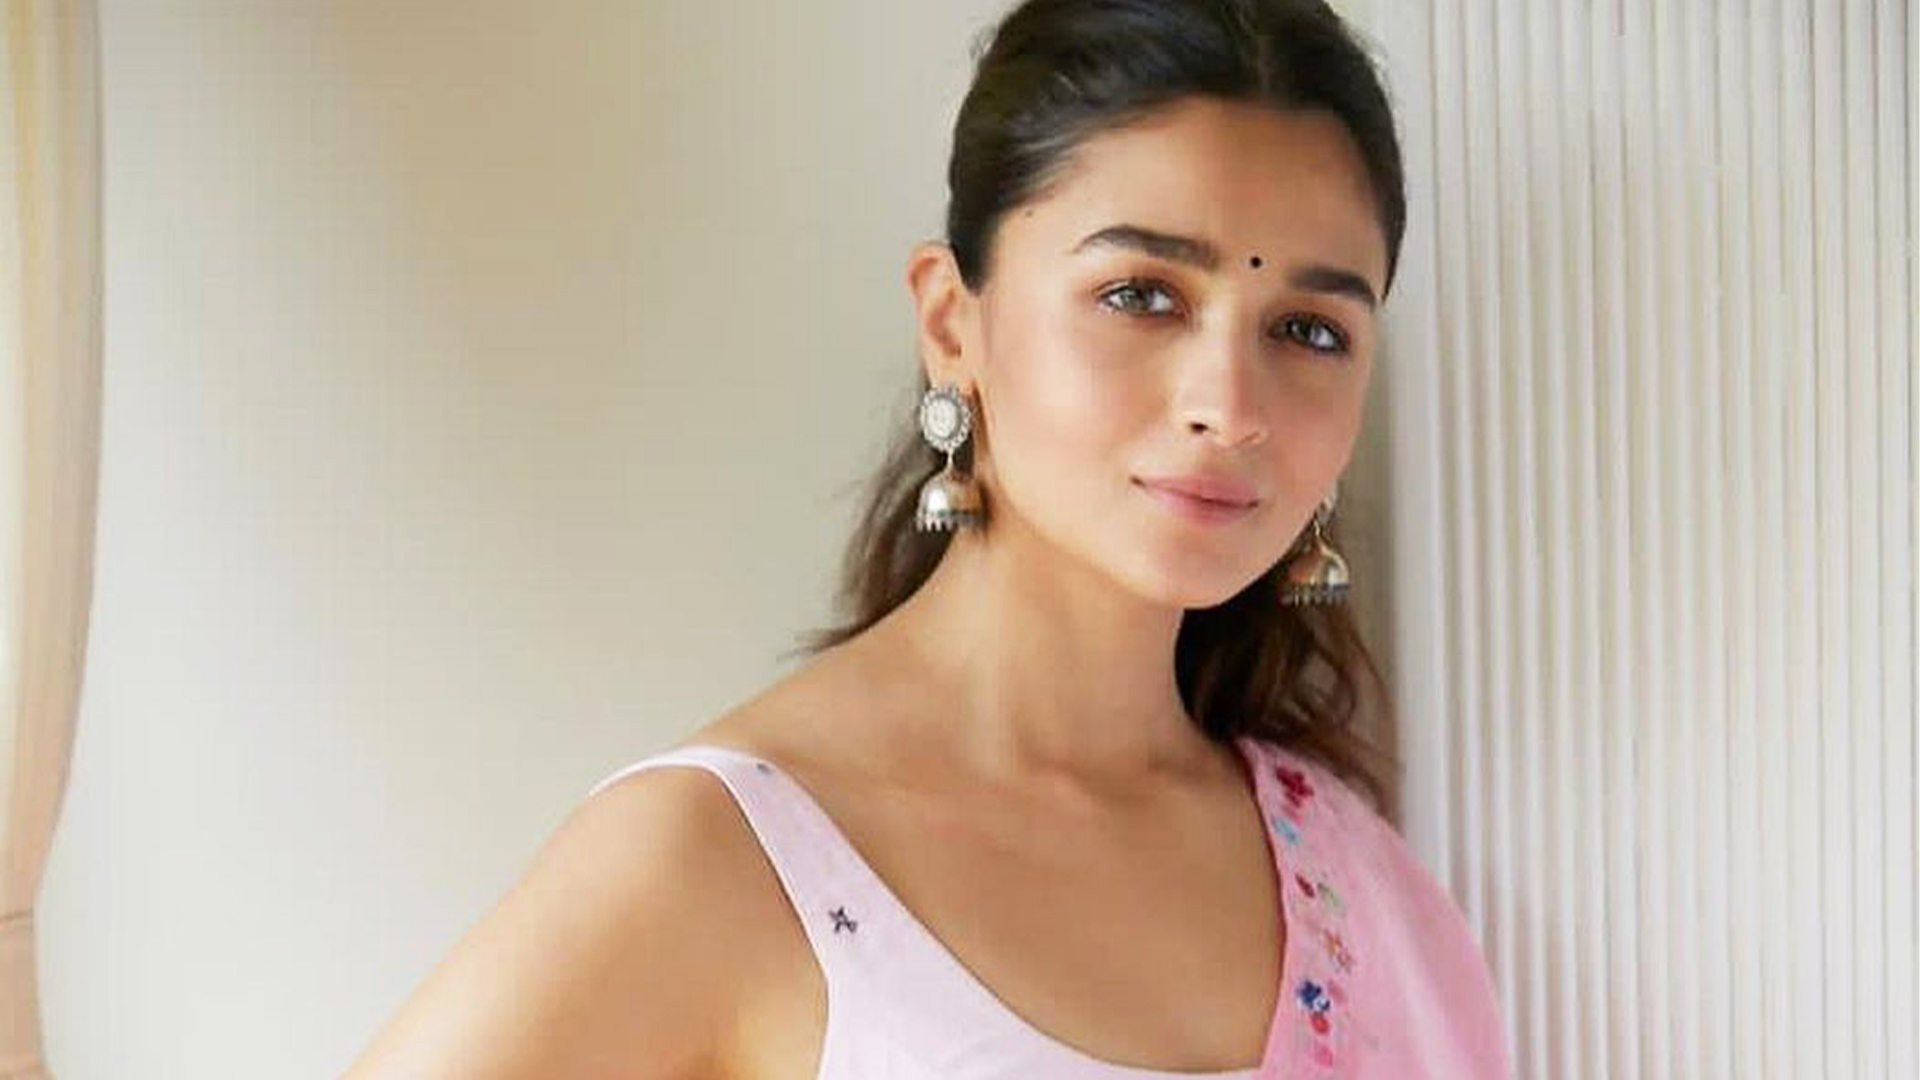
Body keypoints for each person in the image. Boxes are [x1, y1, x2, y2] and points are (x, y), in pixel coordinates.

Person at [340, 1, 1512, 1077]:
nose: (1230, 404)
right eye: (1142, 295)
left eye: (1308, 331)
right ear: (953, 325)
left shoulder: (1364, 895)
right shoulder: (723, 861)